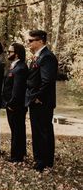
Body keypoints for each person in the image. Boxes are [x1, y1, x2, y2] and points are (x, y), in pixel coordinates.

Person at [26, 30, 58, 171]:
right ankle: (39, 159)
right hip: (35, 100)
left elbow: (47, 81)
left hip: (42, 101)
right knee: (37, 130)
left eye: (31, 41)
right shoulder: (37, 57)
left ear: (40, 41)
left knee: (44, 130)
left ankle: (44, 161)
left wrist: (38, 97)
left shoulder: (47, 57)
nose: (28, 43)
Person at [3, 43, 28, 162]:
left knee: (17, 130)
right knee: (16, 129)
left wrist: (11, 104)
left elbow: (18, 89)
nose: (8, 53)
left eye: (10, 51)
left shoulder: (21, 68)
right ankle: (20, 153)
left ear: (17, 54)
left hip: (16, 105)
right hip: (12, 104)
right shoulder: (14, 66)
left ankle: (16, 156)